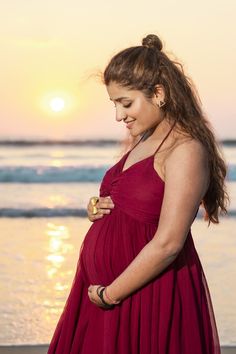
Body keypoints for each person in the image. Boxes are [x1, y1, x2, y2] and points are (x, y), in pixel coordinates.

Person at [48, 34, 228, 354]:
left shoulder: (186, 149)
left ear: (158, 94)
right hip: (104, 293)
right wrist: (98, 207)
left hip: (144, 294)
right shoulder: (144, 138)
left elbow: (169, 242)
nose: (119, 116)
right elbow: (133, 200)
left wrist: (111, 294)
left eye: (126, 103)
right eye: (114, 104)